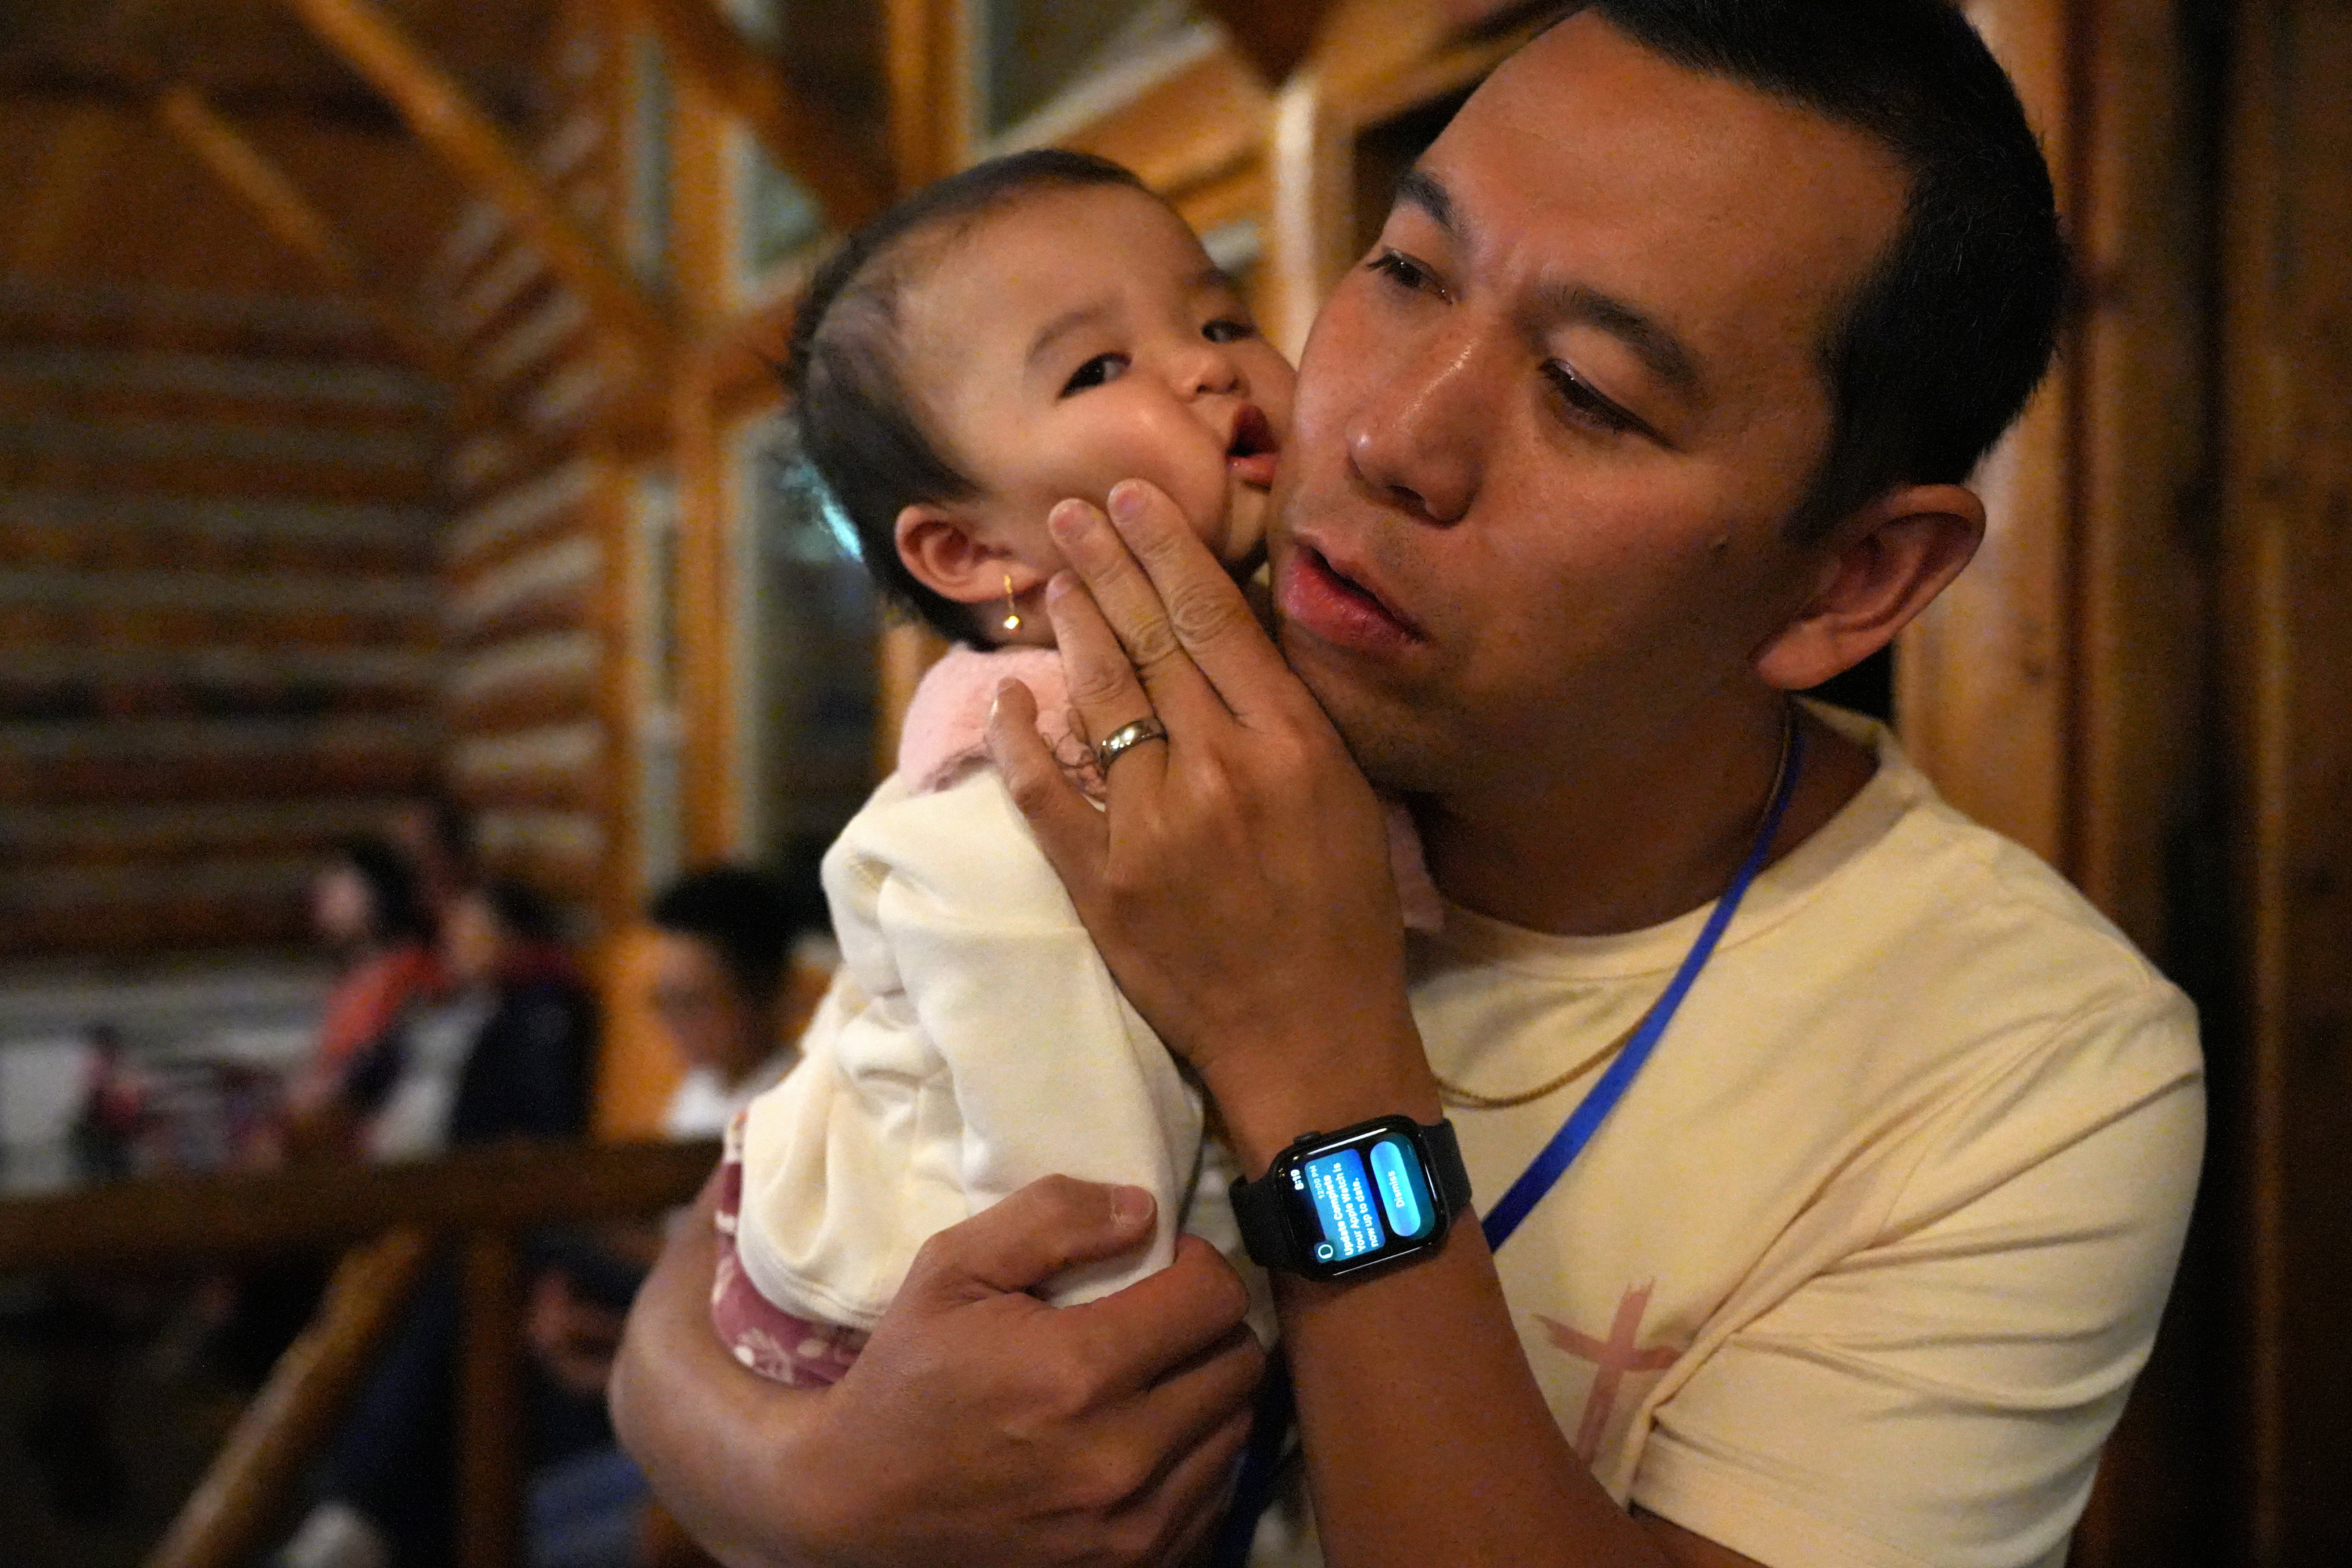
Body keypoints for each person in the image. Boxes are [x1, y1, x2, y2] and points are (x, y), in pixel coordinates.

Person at [610, 6, 2204, 1568]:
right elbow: (759, 1194)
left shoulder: (2027, 1067)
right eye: (1406, 271)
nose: (1383, 435)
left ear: (1853, 576)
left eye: (1588, 391)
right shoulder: (1140, 726)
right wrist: (805, 1486)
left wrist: (1310, 1052)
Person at [707, 147, 1406, 1388]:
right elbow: (1077, 1174)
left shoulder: (1273, 665)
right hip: (924, 1320)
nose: (1210, 366)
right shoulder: (1015, 790)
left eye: (1220, 319)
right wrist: (1134, 1339)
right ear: (969, 552)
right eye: (1097, 368)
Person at [647, 866, 831, 1140]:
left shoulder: (801, 1103)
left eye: (691, 1002)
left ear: (764, 993)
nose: (673, 1023)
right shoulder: (697, 1093)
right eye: (664, 1002)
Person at [285, 837, 441, 1155]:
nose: (324, 895)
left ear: (376, 894)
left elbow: (378, 1068)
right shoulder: (357, 974)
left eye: (340, 884)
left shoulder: (408, 971)